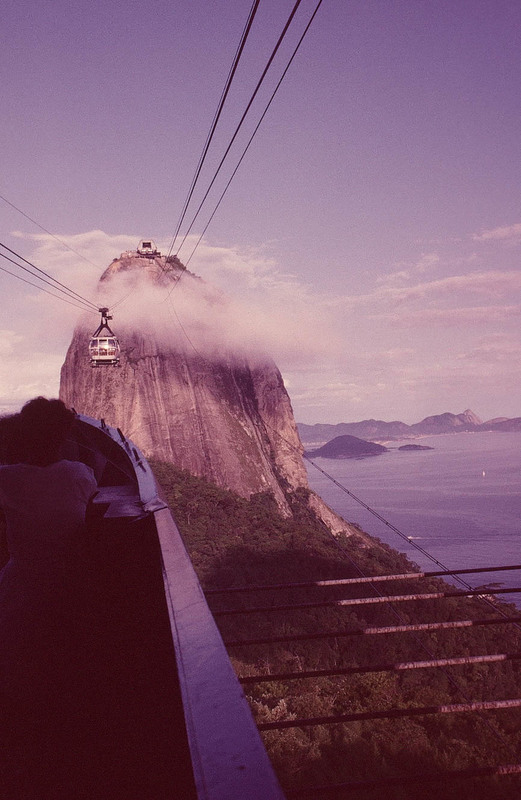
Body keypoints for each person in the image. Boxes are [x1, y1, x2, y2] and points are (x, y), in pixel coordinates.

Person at [0, 398, 99, 795]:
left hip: (18, 592)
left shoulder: (5, 477)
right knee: (60, 678)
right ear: (62, 438)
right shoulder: (79, 473)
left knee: (20, 680)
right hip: (71, 593)